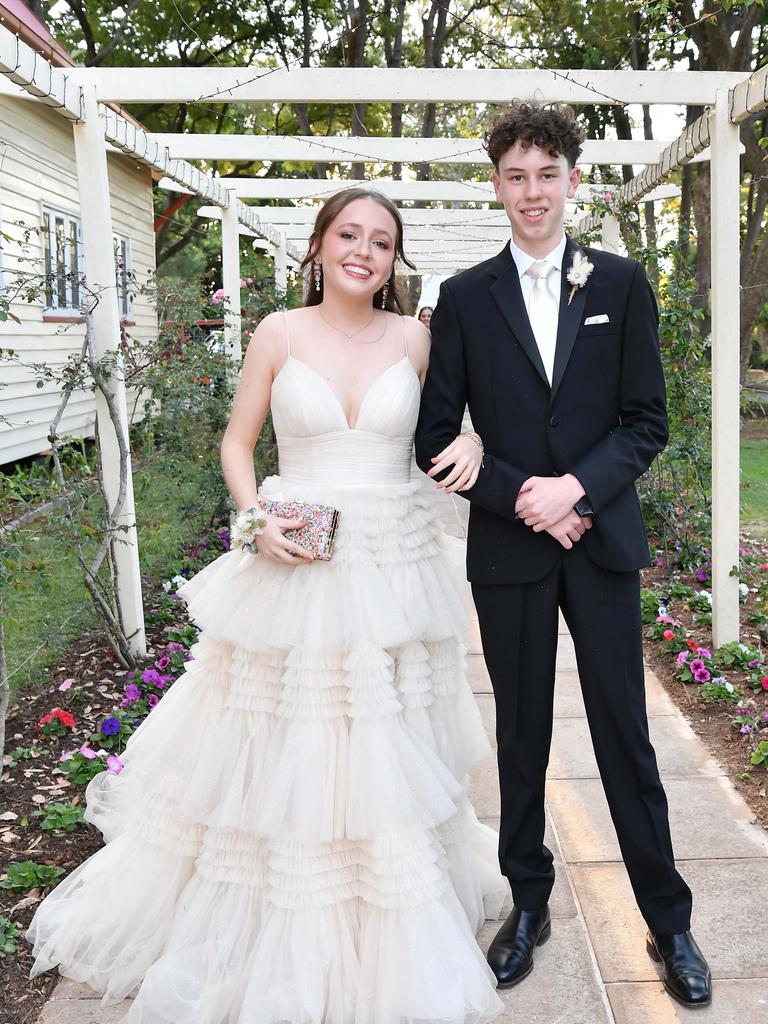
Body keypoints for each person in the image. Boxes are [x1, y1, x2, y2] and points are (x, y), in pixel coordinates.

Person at [26, 187, 509, 1024]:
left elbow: (458, 427)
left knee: (387, 740)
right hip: (297, 554)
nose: (364, 251)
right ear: (320, 244)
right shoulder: (279, 333)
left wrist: (470, 438)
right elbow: (237, 442)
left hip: (392, 564)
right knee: (289, 745)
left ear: (396, 260)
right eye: (349, 234)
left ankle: (386, 913)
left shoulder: (418, 339)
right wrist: (253, 520)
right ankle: (276, 918)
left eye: (382, 241)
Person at [415, 102, 712, 1010]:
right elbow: (436, 436)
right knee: (521, 733)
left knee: (625, 732)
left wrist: (573, 491)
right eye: (516, 175)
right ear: (496, 185)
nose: (532, 191)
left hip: (602, 545)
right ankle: (529, 904)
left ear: (572, 181)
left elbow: (645, 423)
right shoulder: (464, 298)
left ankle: (668, 920)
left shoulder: (620, 284)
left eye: (548, 173)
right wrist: (524, 498)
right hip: (511, 552)